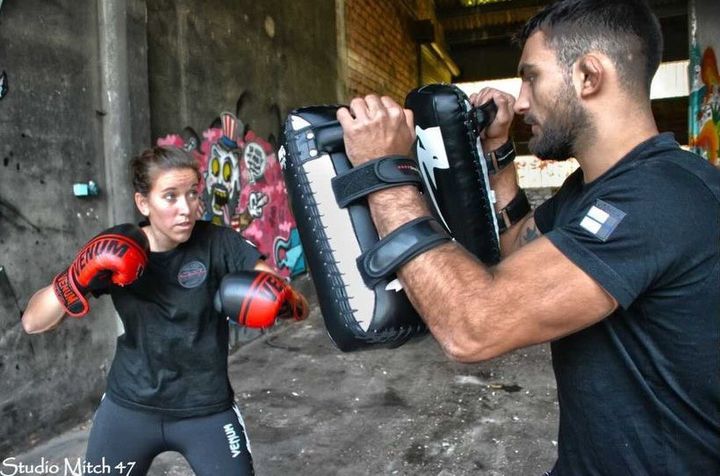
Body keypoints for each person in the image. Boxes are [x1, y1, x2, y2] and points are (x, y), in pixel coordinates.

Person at [336, 0, 719, 474]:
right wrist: (498, 150)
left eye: (531, 77)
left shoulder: (661, 200)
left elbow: (472, 326)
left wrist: (385, 175)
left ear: (588, 76)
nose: (519, 101)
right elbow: (515, 247)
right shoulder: (598, 191)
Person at [21, 146, 309, 475]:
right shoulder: (115, 247)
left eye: (192, 194)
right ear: (143, 202)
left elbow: (296, 303)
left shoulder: (218, 242)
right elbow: (32, 321)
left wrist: (281, 300)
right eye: (170, 196)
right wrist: (75, 277)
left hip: (206, 409)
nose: (186, 209)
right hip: (128, 407)